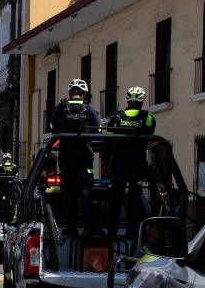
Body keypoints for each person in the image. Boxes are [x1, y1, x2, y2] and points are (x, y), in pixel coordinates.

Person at [49, 79, 101, 235]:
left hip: (65, 153)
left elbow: (52, 129)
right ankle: (89, 227)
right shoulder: (90, 109)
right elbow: (97, 130)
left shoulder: (60, 108)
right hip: (84, 153)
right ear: (84, 94)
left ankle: (71, 227)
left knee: (68, 191)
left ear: (70, 93)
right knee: (84, 190)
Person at [105, 86, 157, 238]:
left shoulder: (116, 118)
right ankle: (131, 230)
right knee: (134, 196)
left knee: (115, 197)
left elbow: (108, 141)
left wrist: (106, 160)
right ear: (141, 101)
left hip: (120, 162)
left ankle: (111, 232)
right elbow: (150, 134)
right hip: (138, 162)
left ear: (127, 100)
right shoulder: (148, 118)